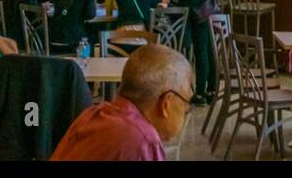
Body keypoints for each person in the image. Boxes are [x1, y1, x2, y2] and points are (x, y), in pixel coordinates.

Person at [50, 44, 193, 161]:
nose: (186, 111)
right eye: (186, 104)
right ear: (166, 103)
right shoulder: (143, 142)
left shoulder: (91, 115)